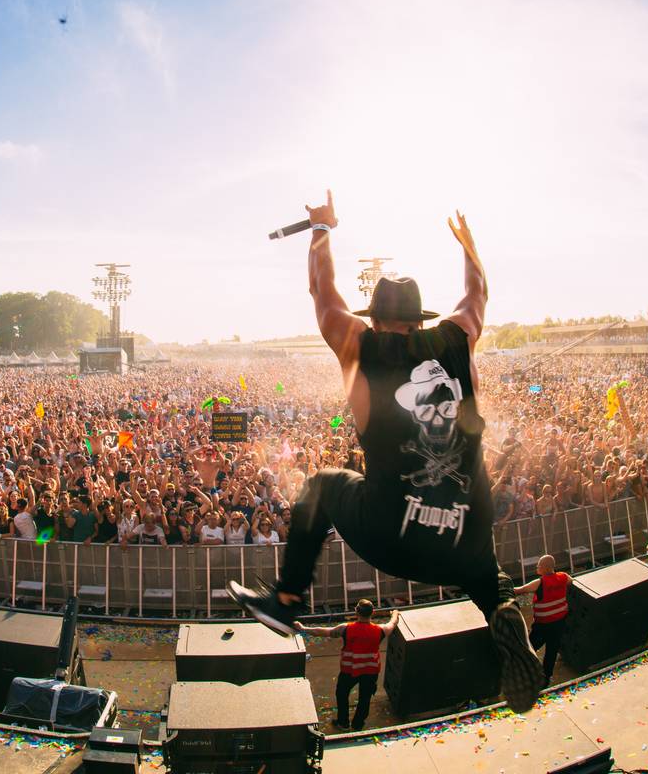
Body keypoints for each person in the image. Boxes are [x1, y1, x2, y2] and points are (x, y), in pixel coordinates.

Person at [229, 192, 543, 714]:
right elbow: (478, 293)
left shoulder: (361, 344)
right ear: (420, 320)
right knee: (485, 570)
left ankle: (286, 601)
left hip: (392, 532)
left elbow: (323, 296)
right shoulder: (458, 337)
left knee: (323, 483)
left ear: (374, 319)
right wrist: (470, 250)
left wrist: (322, 229)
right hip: (465, 535)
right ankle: (502, 608)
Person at [295, 599, 400, 731]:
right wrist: (395, 613)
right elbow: (392, 623)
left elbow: (323, 631)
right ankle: (358, 724)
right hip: (371, 671)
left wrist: (303, 628)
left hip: (349, 670)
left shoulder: (346, 629)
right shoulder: (380, 630)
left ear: (356, 612)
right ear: (372, 613)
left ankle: (343, 723)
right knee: (365, 698)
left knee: (342, 694)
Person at [512, 555, 570, 681]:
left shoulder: (539, 582)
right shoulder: (564, 576)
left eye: (539, 565)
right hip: (559, 623)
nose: (537, 567)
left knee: (529, 649)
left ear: (545, 568)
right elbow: (572, 581)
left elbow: (519, 590)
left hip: (543, 626)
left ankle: (526, 673)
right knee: (551, 651)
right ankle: (546, 677)